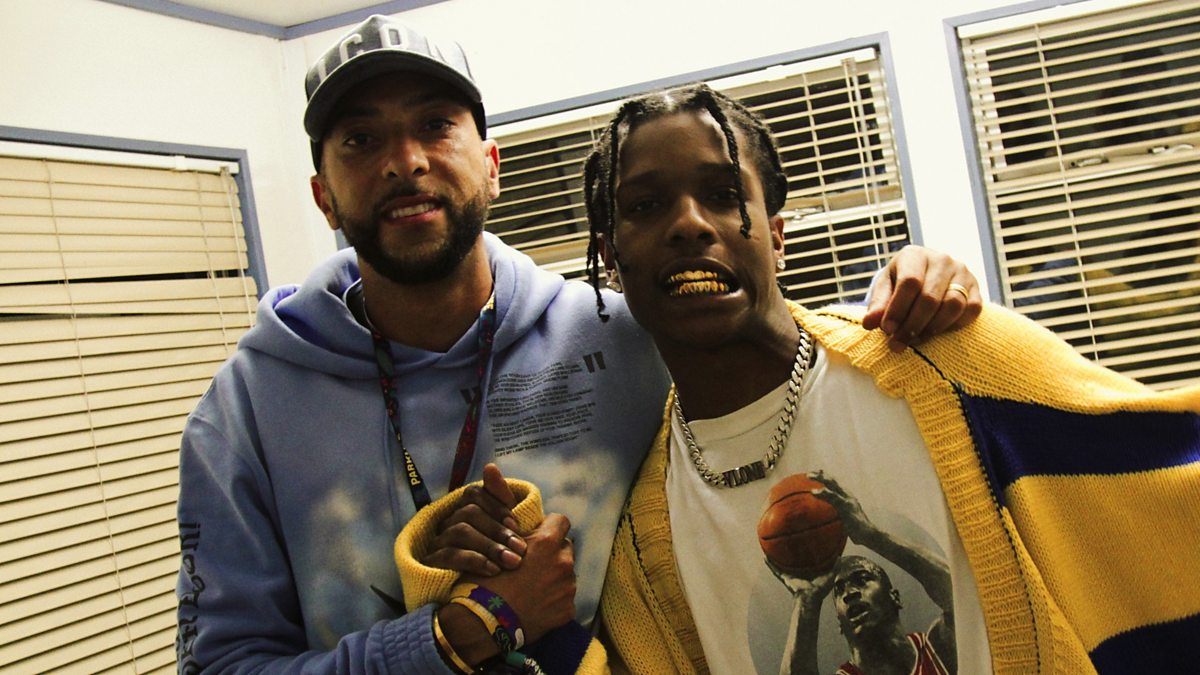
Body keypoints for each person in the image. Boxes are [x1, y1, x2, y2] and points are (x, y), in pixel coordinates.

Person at [174, 14, 984, 673]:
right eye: (360, 139)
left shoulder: (623, 338)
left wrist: (913, 288)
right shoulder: (246, 410)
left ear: (492, 165)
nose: (405, 161)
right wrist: (456, 634)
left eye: (434, 126)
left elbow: (779, 359)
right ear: (323, 195)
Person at [415, 83, 1200, 674]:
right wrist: (451, 576)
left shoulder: (949, 364)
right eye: (646, 206)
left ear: (778, 235)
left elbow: (1168, 488)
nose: (689, 223)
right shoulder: (637, 537)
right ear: (610, 262)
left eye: (724, 194)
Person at [769, 474, 954, 675]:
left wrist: (871, 535)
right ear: (839, 624)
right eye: (839, 590)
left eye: (862, 579)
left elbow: (960, 594)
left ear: (895, 597)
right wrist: (806, 602)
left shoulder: (938, 648)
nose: (849, 594)